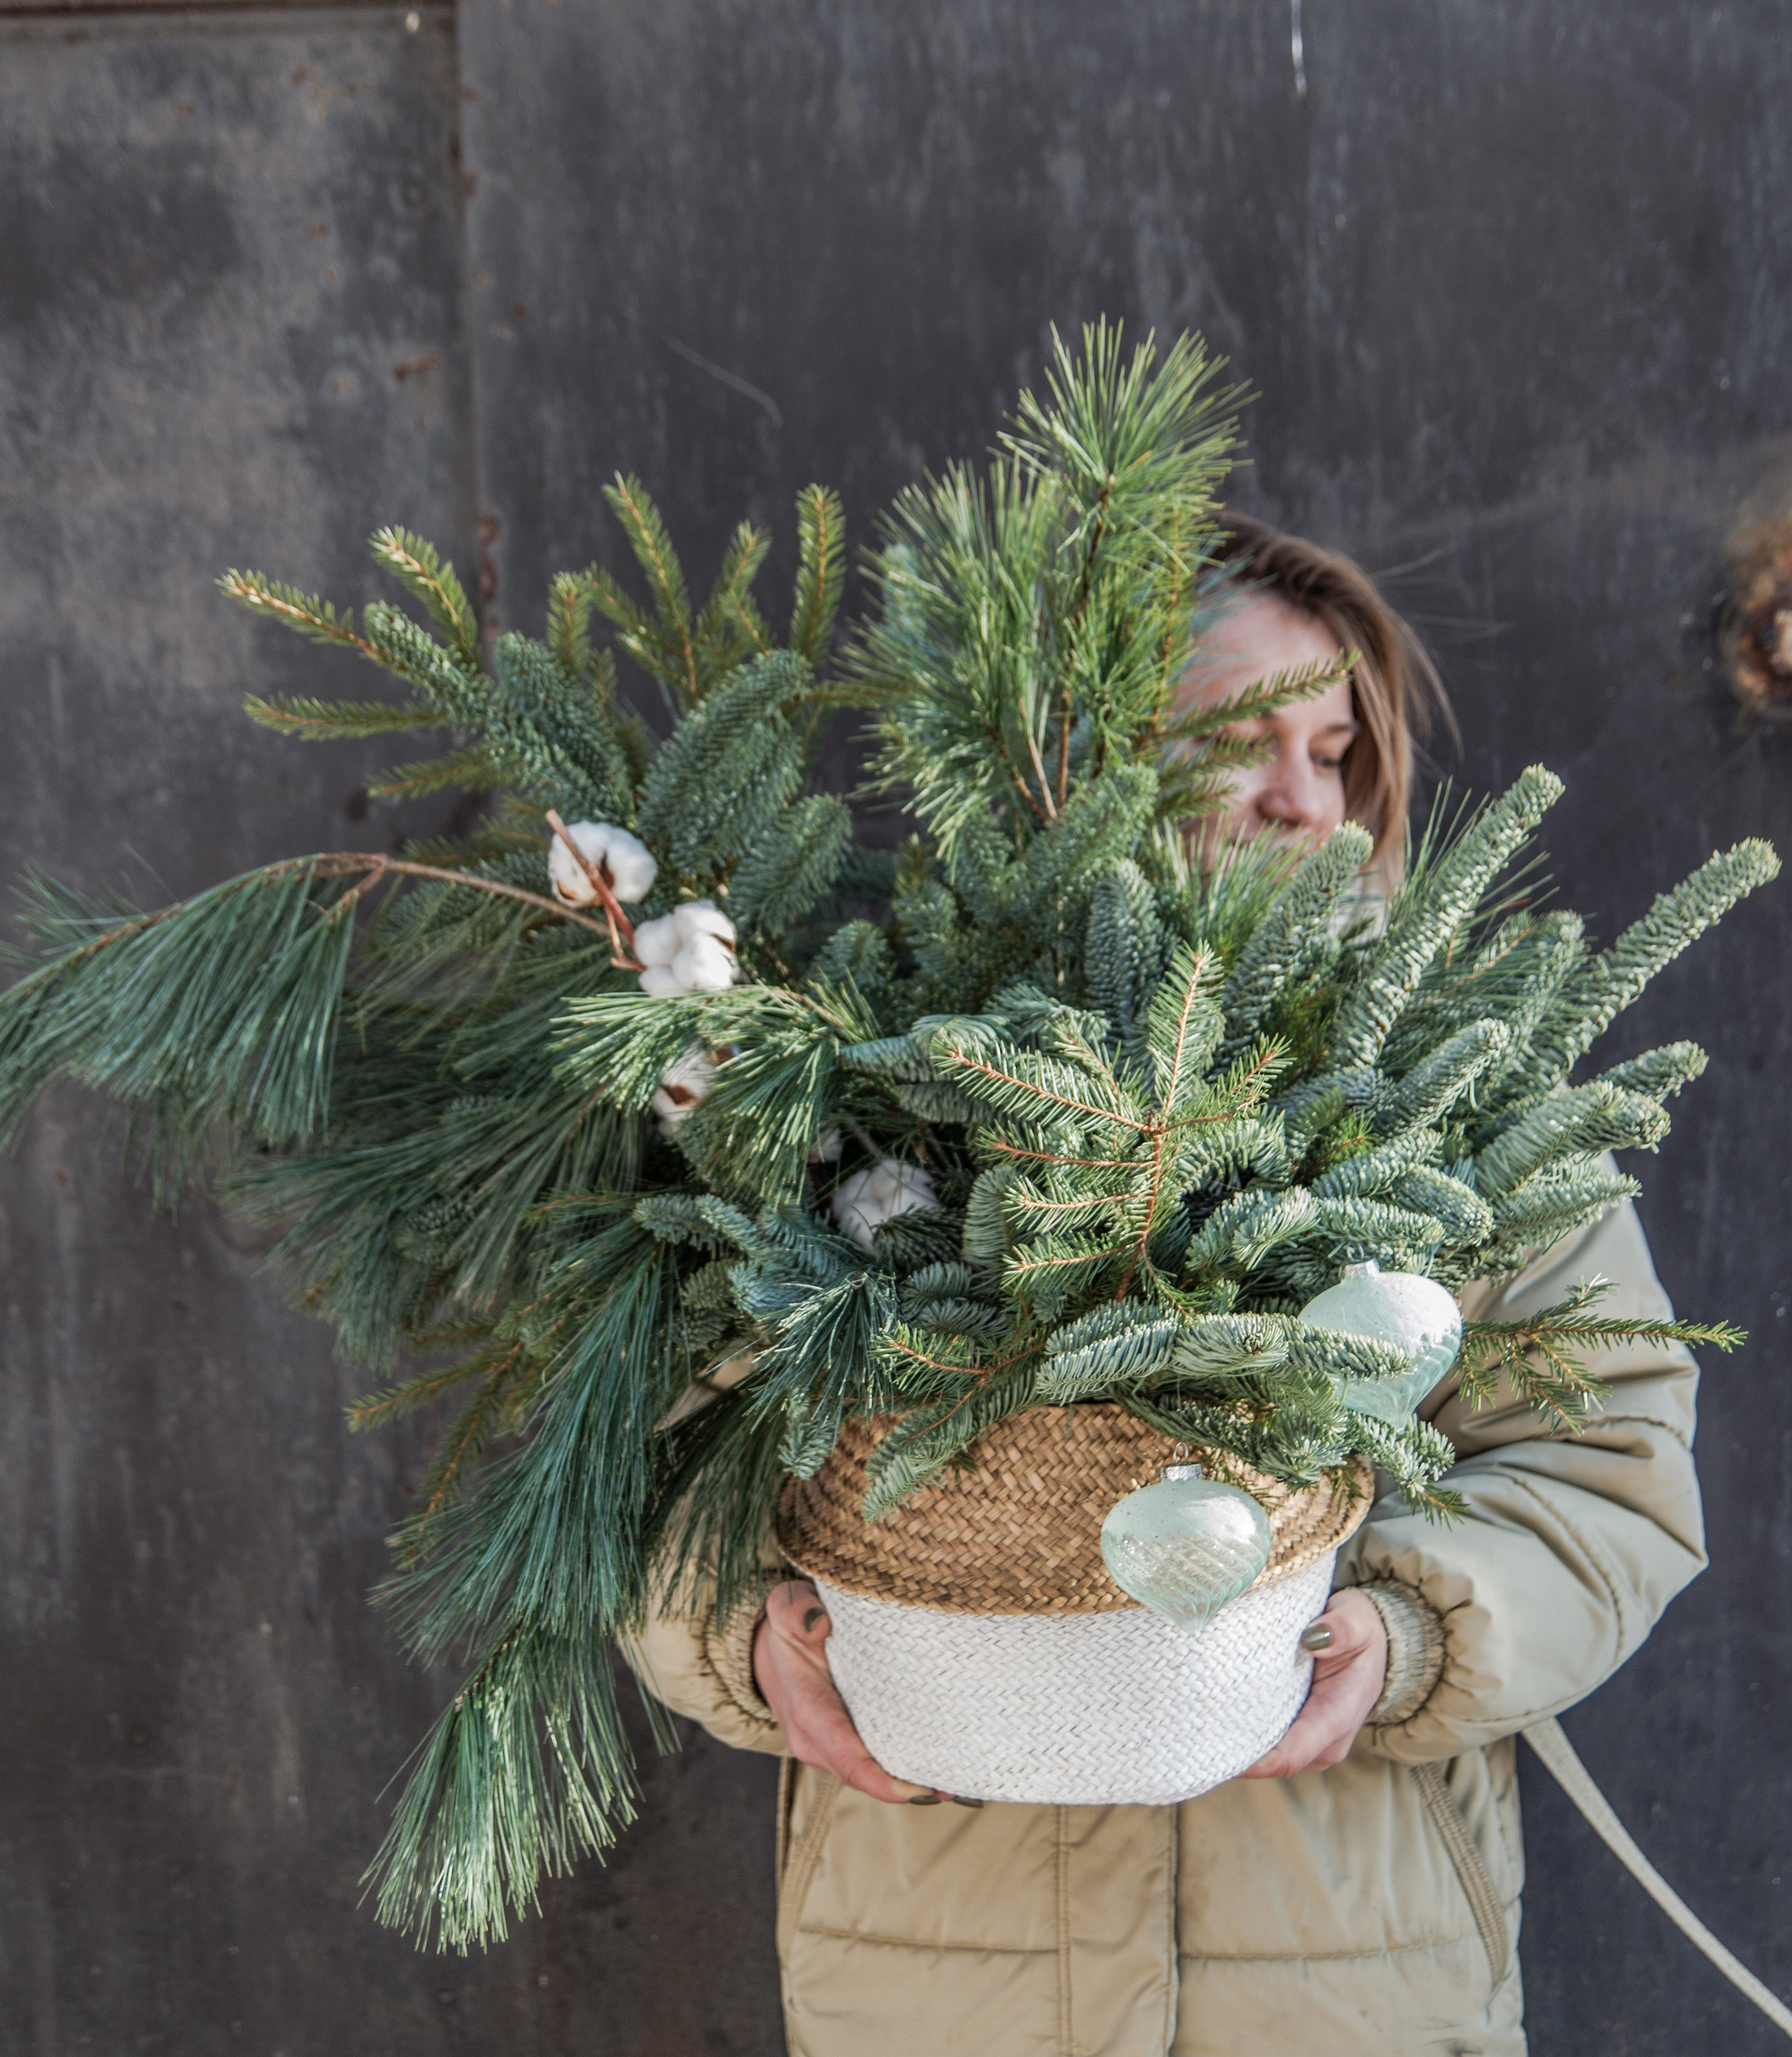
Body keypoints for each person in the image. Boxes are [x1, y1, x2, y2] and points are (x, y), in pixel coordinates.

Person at [625, 516, 1705, 2057]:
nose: (1298, 796)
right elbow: (656, 1457)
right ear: (1076, 755)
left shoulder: (1465, 1104)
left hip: (1351, 1970)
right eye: (1238, 740)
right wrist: (746, 1635)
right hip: (944, 1971)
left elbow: (1615, 1468)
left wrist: (1406, 1634)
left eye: (1333, 750)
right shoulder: (865, 1077)